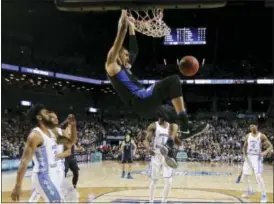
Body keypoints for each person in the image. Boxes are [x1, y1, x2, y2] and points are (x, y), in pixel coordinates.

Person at [105, 11, 209, 166]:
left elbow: (135, 50)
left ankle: (170, 144)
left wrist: (133, 28)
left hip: (144, 107)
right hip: (140, 98)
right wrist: (124, 22)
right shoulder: (112, 66)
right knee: (173, 80)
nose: (128, 57)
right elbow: (119, 39)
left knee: (173, 113)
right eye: (125, 55)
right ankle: (186, 126)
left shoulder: (125, 67)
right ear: (117, 53)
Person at [11, 104, 76, 202]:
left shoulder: (53, 131)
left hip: (55, 174)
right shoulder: (35, 135)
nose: (49, 115)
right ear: (39, 117)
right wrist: (18, 185)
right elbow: (24, 162)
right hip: (43, 176)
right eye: (46, 113)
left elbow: (71, 143)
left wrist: (73, 126)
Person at [28, 111, 77, 202]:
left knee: (55, 195)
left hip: (59, 168)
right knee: (54, 197)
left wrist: (73, 126)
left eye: (56, 117)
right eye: (52, 117)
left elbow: (70, 145)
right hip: (45, 171)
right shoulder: (40, 133)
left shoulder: (60, 132)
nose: (56, 119)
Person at [144, 118, 180, 203]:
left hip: (166, 156)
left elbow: (177, 142)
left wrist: (177, 141)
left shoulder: (171, 127)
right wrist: (149, 149)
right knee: (154, 180)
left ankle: (164, 201)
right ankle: (151, 201)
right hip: (156, 155)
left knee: (169, 181)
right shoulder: (154, 125)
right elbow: (146, 140)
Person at [241, 124, 273, 203]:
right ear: (250, 128)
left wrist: (265, 152)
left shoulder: (261, 136)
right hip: (248, 157)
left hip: (256, 157)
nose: (252, 127)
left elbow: (270, 146)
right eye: (251, 126)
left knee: (258, 176)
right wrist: (244, 156)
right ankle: (249, 191)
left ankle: (264, 195)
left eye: (254, 126)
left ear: (257, 127)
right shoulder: (247, 136)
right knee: (244, 176)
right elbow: (244, 147)